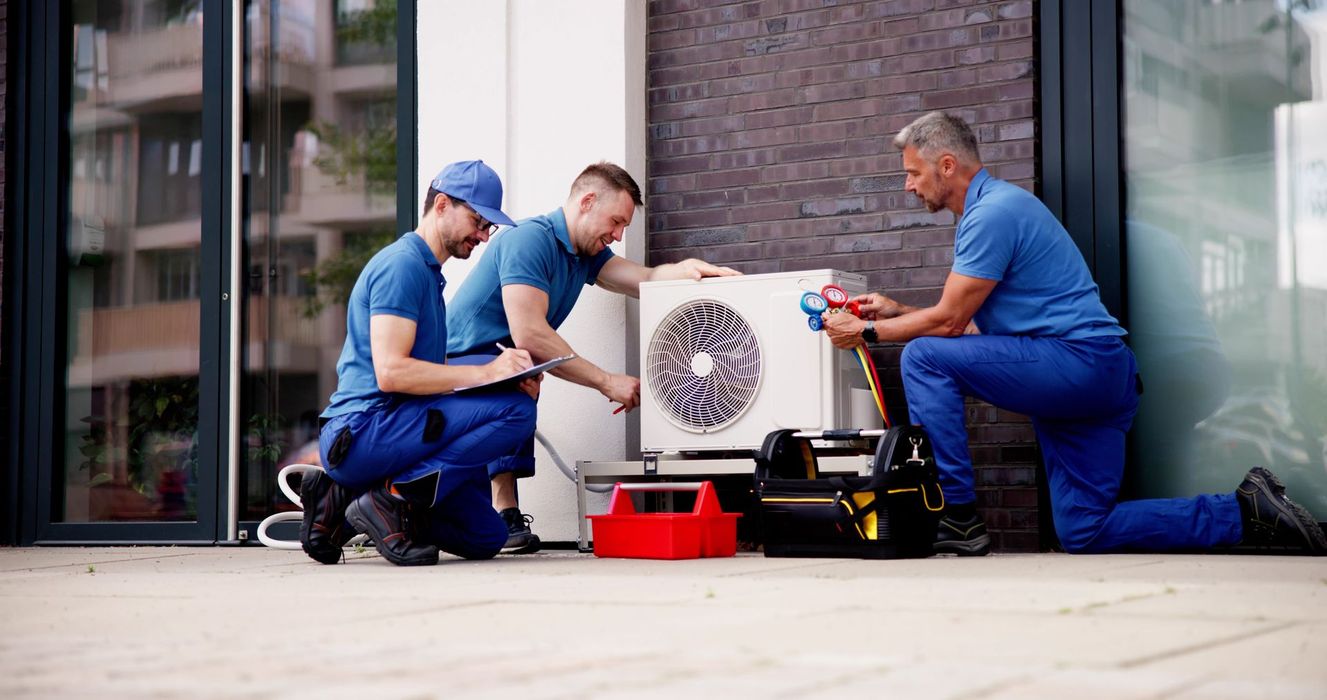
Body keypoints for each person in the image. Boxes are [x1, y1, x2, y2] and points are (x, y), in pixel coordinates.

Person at [821, 112, 1326, 556]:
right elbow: (968, 326)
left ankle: (959, 516)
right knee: (1085, 529)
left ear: (946, 165)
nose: (909, 186)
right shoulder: (997, 210)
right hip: (1096, 378)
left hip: (1077, 364)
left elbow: (949, 325)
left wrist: (867, 331)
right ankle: (1244, 513)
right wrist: (895, 311)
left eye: (913, 173)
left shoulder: (991, 213)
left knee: (923, 357)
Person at [446, 161, 741, 553]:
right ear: (587, 202)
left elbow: (647, 279)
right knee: (520, 371)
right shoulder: (529, 240)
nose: (617, 235)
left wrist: (691, 272)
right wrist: (607, 380)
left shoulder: (584, 255)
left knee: (522, 374)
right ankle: (499, 509)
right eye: (616, 222)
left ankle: (485, 511)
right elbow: (530, 332)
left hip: (504, 365)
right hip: (453, 367)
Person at [299, 160, 541, 566]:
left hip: (396, 426)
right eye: (478, 221)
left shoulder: (429, 275)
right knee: (517, 413)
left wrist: (503, 375)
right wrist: (486, 373)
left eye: (489, 227)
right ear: (442, 204)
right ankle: (389, 499)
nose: (483, 236)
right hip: (363, 428)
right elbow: (392, 372)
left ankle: (350, 498)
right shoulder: (402, 266)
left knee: (487, 536)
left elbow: (429, 369)